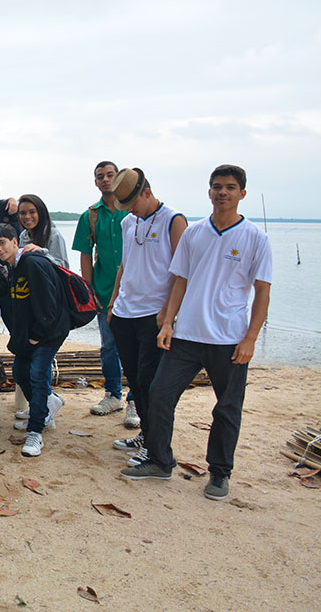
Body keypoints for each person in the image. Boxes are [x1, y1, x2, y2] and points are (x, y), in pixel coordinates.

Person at [122, 165, 271, 502]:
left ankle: (219, 472)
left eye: (230, 188)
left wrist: (250, 338)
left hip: (229, 339)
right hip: (187, 335)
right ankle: (160, 460)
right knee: (159, 394)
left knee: (227, 407)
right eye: (217, 187)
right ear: (209, 192)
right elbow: (180, 280)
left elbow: (262, 292)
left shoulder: (255, 238)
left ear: (241, 194)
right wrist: (168, 322)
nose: (223, 193)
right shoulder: (195, 233)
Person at [105, 169, 187, 465]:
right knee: (135, 381)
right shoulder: (129, 222)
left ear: (147, 192)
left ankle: (155, 445)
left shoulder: (173, 220)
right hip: (125, 311)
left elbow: (182, 273)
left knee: (151, 381)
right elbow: (125, 266)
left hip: (153, 314)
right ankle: (145, 435)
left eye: (133, 204)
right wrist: (113, 303)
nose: (131, 212)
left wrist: (167, 315)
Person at [0, 223, 70, 458]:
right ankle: (46, 406)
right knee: (21, 372)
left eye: (2, 243)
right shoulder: (13, 267)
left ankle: (36, 432)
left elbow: (48, 303)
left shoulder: (32, 263)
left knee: (36, 374)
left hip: (50, 331)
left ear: (16, 242)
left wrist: (36, 336)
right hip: (30, 333)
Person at [72, 161, 130, 421]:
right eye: (100, 177)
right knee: (108, 347)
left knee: (137, 349)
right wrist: (88, 289)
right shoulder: (90, 216)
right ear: (95, 182)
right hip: (104, 290)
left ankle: (136, 401)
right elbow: (85, 255)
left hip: (137, 292)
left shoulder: (131, 211)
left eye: (110, 175)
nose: (106, 180)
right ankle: (113, 395)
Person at [18, 194, 69, 268]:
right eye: (23, 213)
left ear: (40, 212)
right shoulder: (24, 236)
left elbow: (62, 267)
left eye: (32, 212)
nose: (27, 216)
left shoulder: (53, 234)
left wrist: (41, 252)